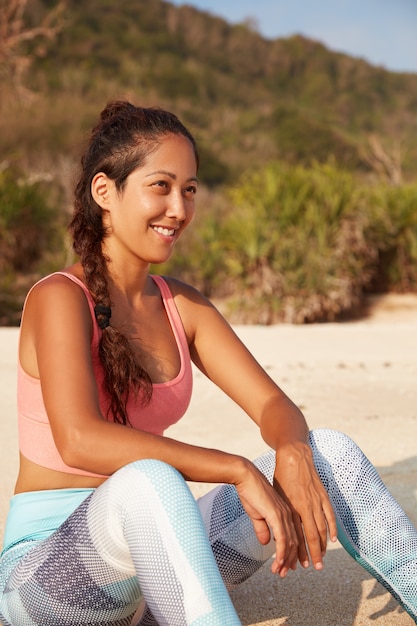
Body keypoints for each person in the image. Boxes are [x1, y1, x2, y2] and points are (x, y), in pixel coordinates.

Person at [0, 100, 416, 626]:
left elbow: (272, 403)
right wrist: (235, 467)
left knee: (328, 453)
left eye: (190, 189)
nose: (179, 208)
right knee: (149, 479)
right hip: (53, 585)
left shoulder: (182, 306)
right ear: (105, 191)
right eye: (161, 186)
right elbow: (79, 438)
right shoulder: (58, 297)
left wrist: (289, 447)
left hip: (158, 578)